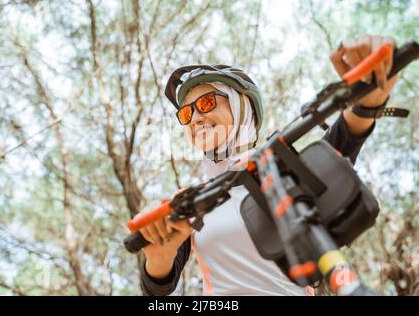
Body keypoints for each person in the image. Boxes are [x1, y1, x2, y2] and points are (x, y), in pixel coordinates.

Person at [137, 35, 398, 295]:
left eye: (206, 103)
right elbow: (157, 290)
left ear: (242, 107)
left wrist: (366, 100)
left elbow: (342, 142)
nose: (194, 118)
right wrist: (159, 259)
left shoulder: (282, 172)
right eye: (186, 113)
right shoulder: (190, 203)